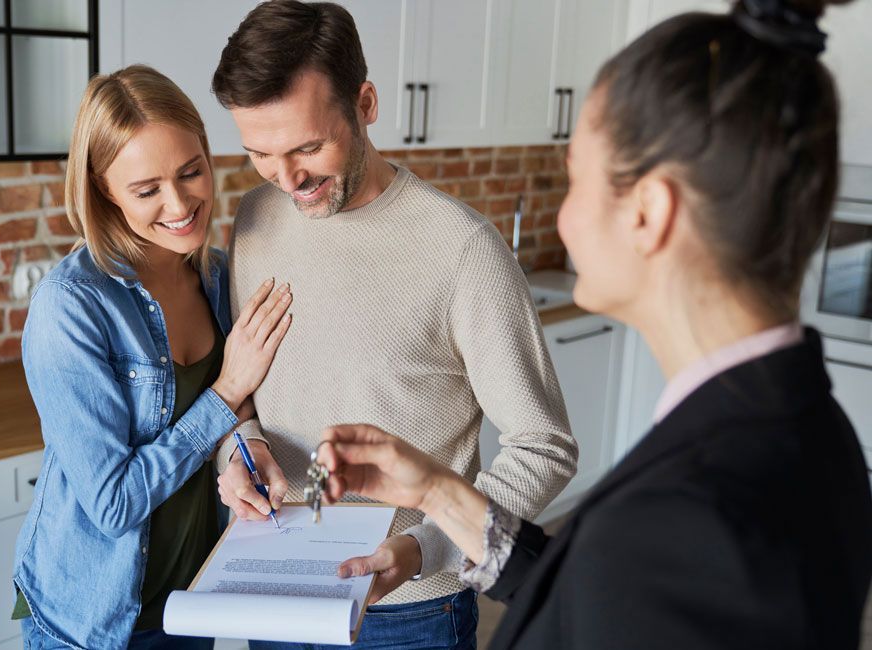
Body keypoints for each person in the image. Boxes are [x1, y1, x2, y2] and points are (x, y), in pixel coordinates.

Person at [314, 1, 872, 648]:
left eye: (575, 177)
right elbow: (604, 598)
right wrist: (440, 492)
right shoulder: (813, 432)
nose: (563, 221)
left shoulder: (690, 515)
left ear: (648, 212)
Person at [210, 1, 578, 647]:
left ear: (367, 104)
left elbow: (542, 443)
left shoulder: (461, 248)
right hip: (281, 584)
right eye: (260, 153)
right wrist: (240, 448)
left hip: (411, 611)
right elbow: (243, 389)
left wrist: (424, 547)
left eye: (308, 146)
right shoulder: (254, 220)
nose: (288, 179)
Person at [11, 65, 292, 649]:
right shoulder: (72, 307)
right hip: (93, 625)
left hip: (190, 606)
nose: (181, 203)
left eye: (192, 172)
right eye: (147, 190)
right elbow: (114, 504)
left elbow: (224, 415)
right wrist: (225, 394)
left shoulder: (216, 276)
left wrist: (242, 450)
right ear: (103, 191)